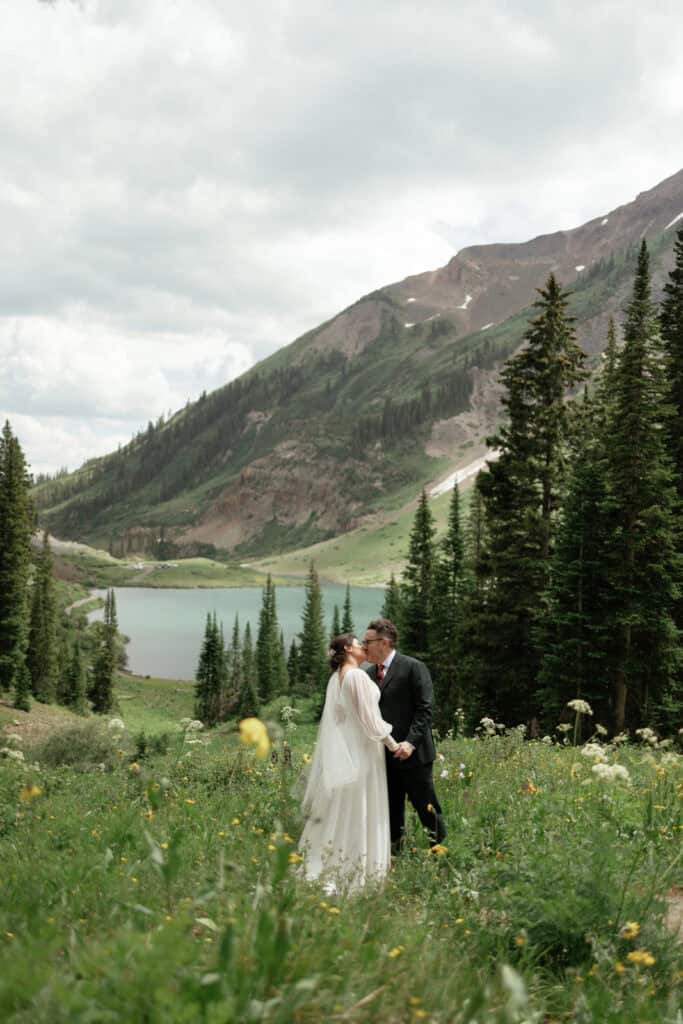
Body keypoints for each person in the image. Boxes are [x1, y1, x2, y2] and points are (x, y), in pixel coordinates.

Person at [299, 633, 398, 892]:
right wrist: (392, 743)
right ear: (347, 649)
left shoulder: (337, 677)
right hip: (362, 749)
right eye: (359, 644)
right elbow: (368, 719)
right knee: (361, 805)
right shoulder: (355, 676)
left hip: (348, 747)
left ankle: (338, 859)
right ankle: (357, 868)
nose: (364, 647)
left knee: (345, 806)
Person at [362, 617, 446, 852]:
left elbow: (425, 710)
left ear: (385, 642)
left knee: (426, 806)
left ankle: (440, 851)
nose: (363, 646)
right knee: (390, 809)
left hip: (415, 756)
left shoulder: (413, 667)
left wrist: (410, 743)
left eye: (368, 641)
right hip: (384, 757)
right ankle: (395, 854)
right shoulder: (367, 675)